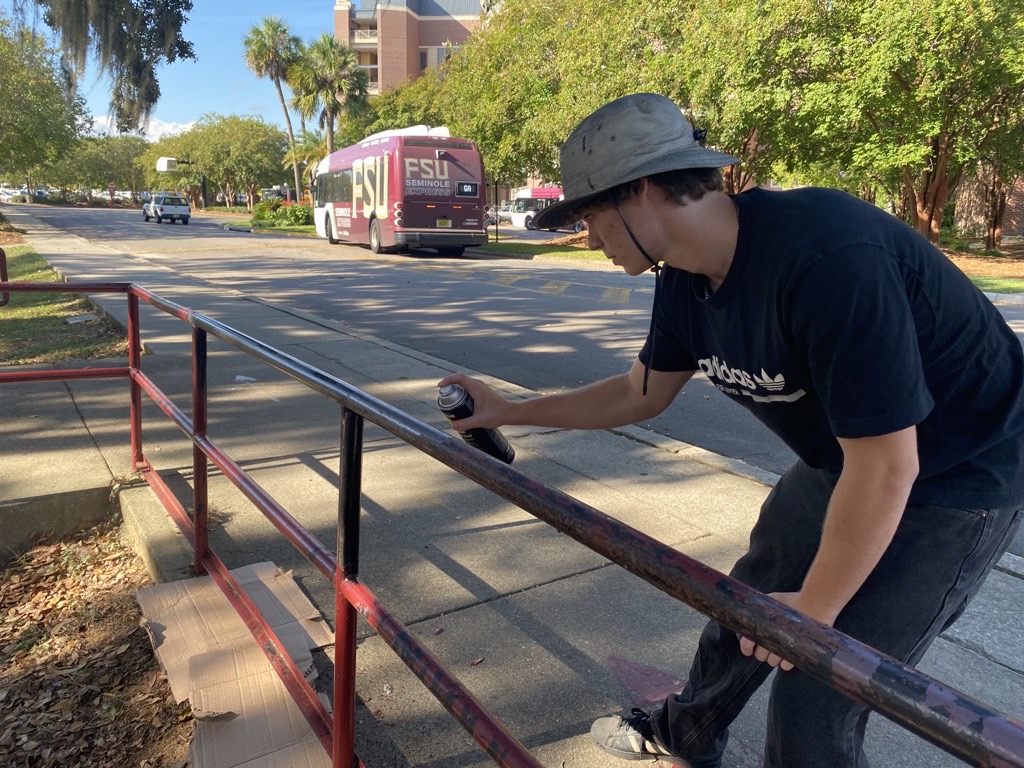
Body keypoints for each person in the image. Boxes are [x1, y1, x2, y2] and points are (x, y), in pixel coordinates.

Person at [438, 92, 1024, 768]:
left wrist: (815, 609)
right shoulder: (683, 277)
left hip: (960, 474)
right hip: (847, 455)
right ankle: (686, 732)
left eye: (591, 212)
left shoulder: (827, 256)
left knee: (819, 689)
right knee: (743, 606)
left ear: (647, 190)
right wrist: (506, 411)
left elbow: (890, 466)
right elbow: (639, 393)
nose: (587, 236)